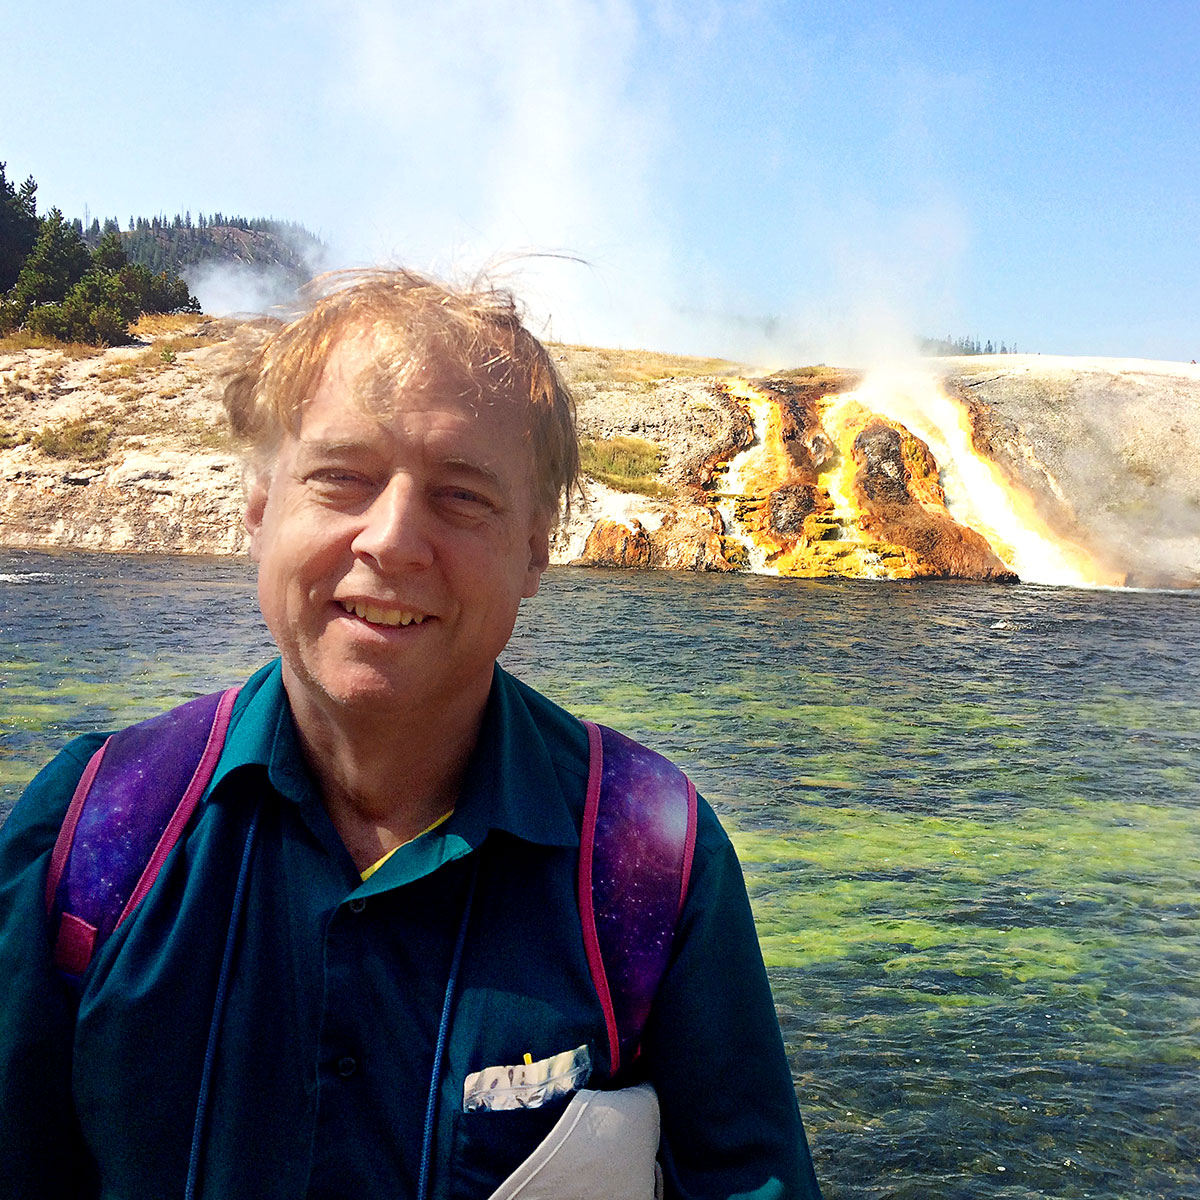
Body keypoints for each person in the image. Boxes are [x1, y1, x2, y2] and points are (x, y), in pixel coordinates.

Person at [0, 270, 823, 1199]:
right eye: (342, 478)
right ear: (261, 509)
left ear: (535, 550)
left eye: (463, 496)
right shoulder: (91, 830)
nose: (391, 541)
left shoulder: (652, 856)